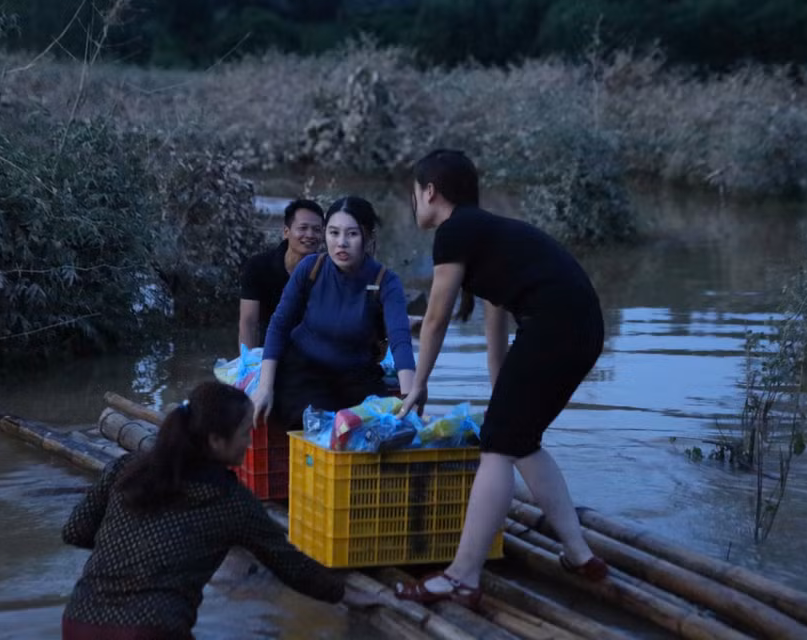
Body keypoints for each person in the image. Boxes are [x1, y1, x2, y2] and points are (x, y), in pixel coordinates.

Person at [393, 149, 609, 612]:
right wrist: (502, 397)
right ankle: (579, 554)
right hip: (581, 326)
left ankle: (461, 577)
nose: (415, 203)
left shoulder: (455, 232)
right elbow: (497, 328)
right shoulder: (485, 234)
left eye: (415, 193)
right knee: (518, 438)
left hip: (555, 325)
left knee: (497, 447)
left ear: (430, 191)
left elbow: (435, 318)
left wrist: (417, 385)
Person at [60, 380, 379, 639]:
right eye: (244, 434)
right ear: (216, 440)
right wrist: (344, 594)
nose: (249, 443)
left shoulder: (125, 469)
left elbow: (75, 531)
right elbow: (290, 565)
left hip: (78, 623)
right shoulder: (231, 500)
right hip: (151, 630)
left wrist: (126, 549)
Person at [252, 196, 416, 430]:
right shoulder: (310, 268)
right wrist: (264, 388)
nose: (341, 243)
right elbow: (279, 325)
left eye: (352, 234)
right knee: (313, 422)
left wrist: (409, 395)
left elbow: (400, 339)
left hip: (358, 377)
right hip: (305, 372)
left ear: (368, 237)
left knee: (382, 427)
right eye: (333, 232)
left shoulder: (386, 282)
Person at [238, 198, 325, 352]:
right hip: (268, 351)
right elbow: (249, 322)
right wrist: (248, 363)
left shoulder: (327, 270)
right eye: (303, 228)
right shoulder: (258, 266)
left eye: (317, 230)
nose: (310, 235)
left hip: (312, 353)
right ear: (286, 232)